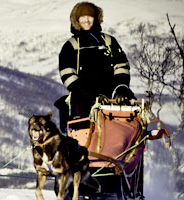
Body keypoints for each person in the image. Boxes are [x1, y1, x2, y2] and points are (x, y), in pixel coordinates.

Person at [55, 1, 135, 132]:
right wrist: (91, 96)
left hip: (112, 94)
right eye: (82, 17)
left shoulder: (108, 41)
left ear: (96, 18)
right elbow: (67, 74)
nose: (86, 20)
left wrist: (121, 88)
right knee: (81, 129)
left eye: (90, 16)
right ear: (76, 19)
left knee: (130, 120)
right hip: (83, 97)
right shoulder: (71, 45)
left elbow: (121, 65)